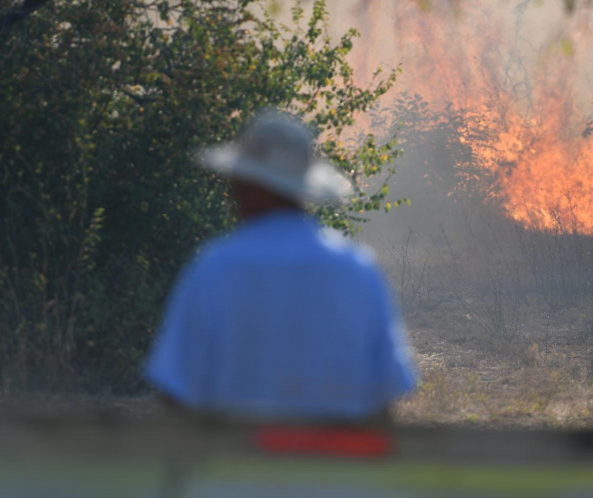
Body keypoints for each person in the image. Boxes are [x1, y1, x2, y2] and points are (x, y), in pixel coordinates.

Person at [144, 109, 416, 422]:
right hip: (334, 469)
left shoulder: (214, 268)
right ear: (303, 187)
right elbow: (385, 400)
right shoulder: (358, 269)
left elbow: (174, 394)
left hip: (233, 468)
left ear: (249, 185)